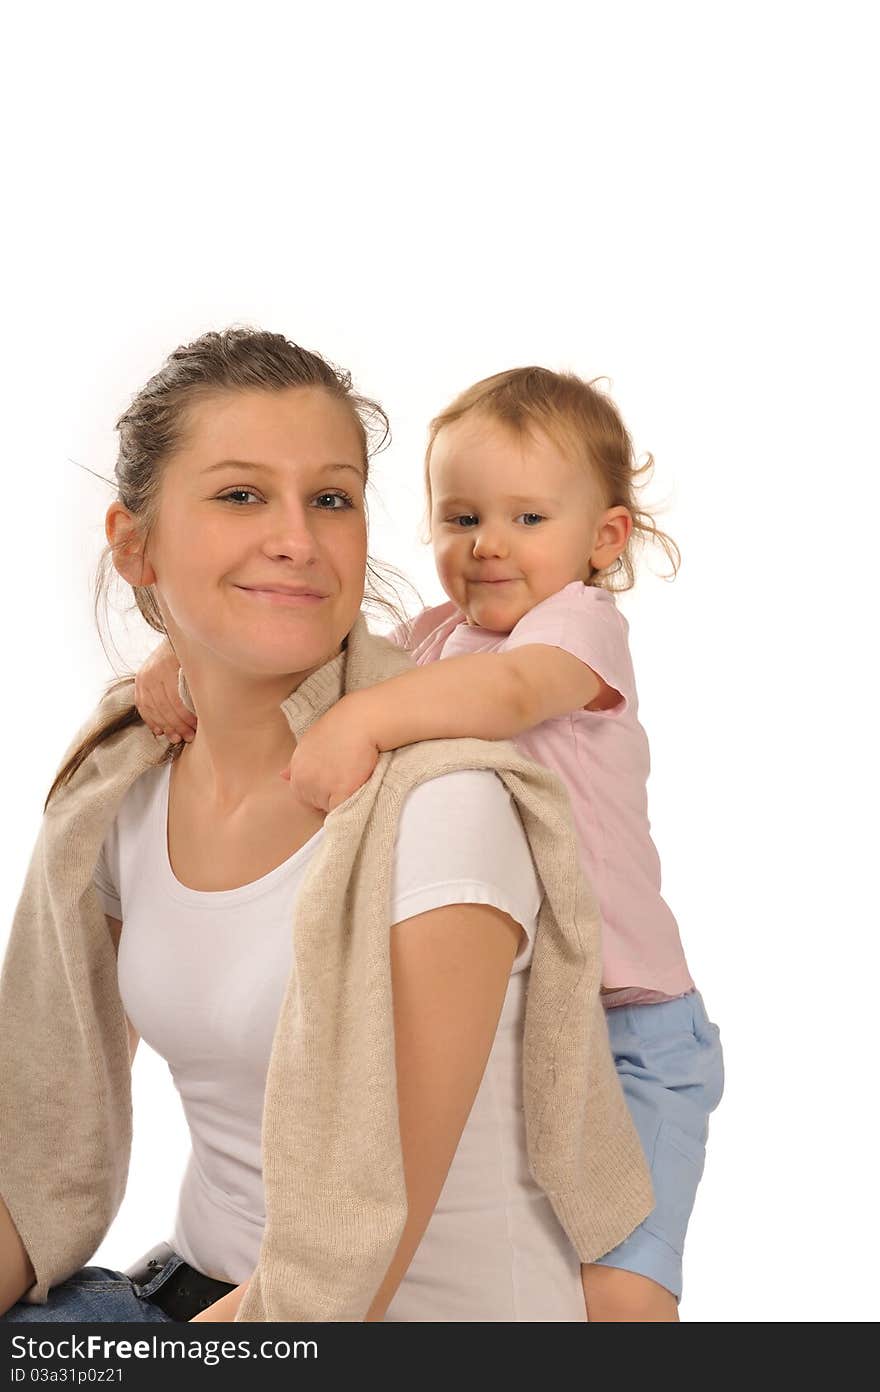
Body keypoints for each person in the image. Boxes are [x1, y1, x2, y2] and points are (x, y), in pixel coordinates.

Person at [0, 329, 653, 1325]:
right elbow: (40, 1149)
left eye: (332, 499)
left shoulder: (441, 804)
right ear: (135, 544)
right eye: (240, 494)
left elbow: (345, 1269)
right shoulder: (120, 781)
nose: (297, 538)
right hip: (188, 1296)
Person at [137, 364, 725, 1320]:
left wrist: (363, 724)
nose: (489, 547)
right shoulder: (438, 634)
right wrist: (182, 651)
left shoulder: (576, 630)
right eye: (462, 519)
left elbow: (506, 697)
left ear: (603, 538)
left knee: (618, 1297)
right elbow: (312, 647)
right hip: (543, 1013)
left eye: (528, 520)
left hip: (632, 1029)